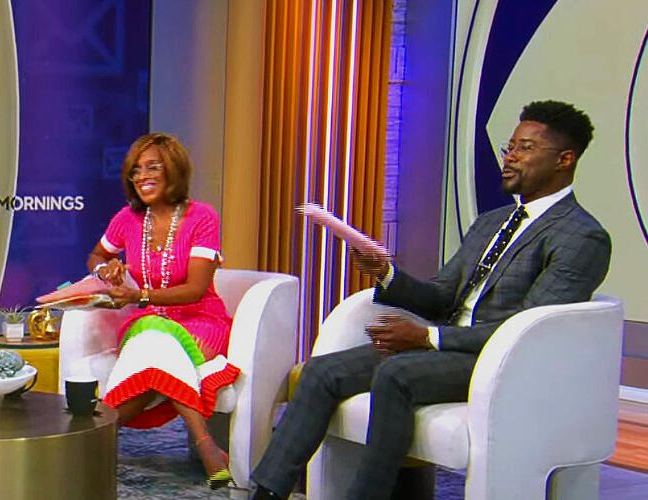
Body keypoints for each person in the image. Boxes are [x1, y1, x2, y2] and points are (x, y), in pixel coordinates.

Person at [248, 100, 611, 500]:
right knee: (321, 371)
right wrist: (385, 272)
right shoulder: (491, 222)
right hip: (444, 347)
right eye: (509, 147)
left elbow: (528, 329)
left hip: (500, 361)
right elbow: (441, 296)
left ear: (564, 159)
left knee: (395, 373)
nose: (509, 158)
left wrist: (428, 338)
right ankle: (267, 493)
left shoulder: (581, 236)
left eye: (524, 148)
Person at [86, 133, 240, 489]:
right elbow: (97, 254)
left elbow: (196, 288)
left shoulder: (202, 217)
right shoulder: (127, 218)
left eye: (152, 167)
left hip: (200, 320)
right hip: (148, 320)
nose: (142, 176)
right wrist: (105, 270)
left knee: (154, 342)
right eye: (135, 170)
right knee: (155, 339)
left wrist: (138, 294)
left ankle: (92, 439)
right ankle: (206, 445)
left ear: (173, 169)